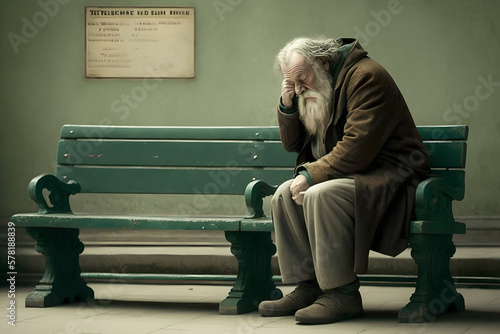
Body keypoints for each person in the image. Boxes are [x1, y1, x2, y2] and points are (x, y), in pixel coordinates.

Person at [258, 37, 430, 324]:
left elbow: (357, 149)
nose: (300, 88)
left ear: (324, 63)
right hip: (350, 175)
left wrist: (310, 175)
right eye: (292, 82)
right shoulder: (319, 85)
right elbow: (293, 145)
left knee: (318, 193)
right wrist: (288, 103)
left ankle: (342, 293)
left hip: (388, 179)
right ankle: (309, 285)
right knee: (283, 195)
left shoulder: (366, 78)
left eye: (302, 79)